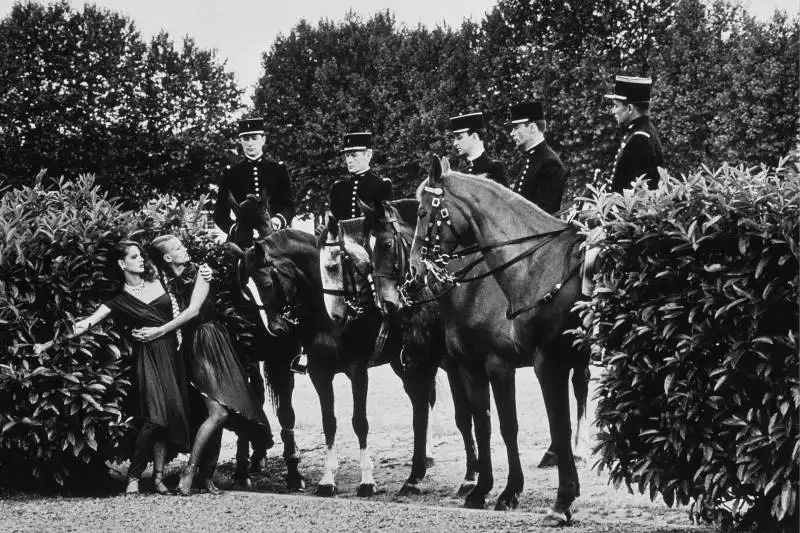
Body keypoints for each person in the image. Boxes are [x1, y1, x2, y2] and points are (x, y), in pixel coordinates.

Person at [54, 241, 192, 495]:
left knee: (167, 418)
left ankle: (159, 478)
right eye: (134, 256)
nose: (141, 260)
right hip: (147, 357)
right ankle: (134, 476)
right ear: (121, 263)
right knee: (155, 417)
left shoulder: (160, 280)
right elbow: (87, 322)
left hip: (172, 355)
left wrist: (207, 274)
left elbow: (184, 274)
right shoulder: (118, 300)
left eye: (141, 256)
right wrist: (50, 342)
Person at [139, 235, 273, 495]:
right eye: (178, 248)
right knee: (215, 411)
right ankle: (196, 473)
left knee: (222, 411)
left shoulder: (200, 272)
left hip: (212, 341)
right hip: (190, 348)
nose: (184, 248)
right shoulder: (162, 282)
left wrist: (157, 331)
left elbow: (192, 311)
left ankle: (199, 474)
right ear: (167, 258)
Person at [213, 117, 296, 248]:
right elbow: (220, 215)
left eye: (254, 138)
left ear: (263, 140)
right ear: (240, 141)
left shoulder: (277, 169)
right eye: (246, 139)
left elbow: (289, 207)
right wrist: (236, 229)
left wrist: (275, 223)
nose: (250, 144)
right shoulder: (230, 173)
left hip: (275, 238)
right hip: (241, 241)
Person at [604, 75, 665, 192]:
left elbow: (638, 191)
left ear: (630, 109)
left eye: (616, 106)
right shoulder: (642, 130)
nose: (613, 111)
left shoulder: (639, 139)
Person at [506, 101, 567, 215]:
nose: (512, 133)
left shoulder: (549, 163)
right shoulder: (533, 158)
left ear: (532, 128)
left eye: (516, 128)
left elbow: (544, 217)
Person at [328, 132, 392, 220]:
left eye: (354, 155)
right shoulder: (338, 187)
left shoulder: (382, 185)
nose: (349, 160)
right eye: (347, 156)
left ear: (368, 155)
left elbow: (385, 221)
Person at [449, 112, 508, 186]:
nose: (455, 143)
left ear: (474, 137)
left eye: (459, 138)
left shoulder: (494, 167)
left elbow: (505, 197)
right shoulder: (463, 173)